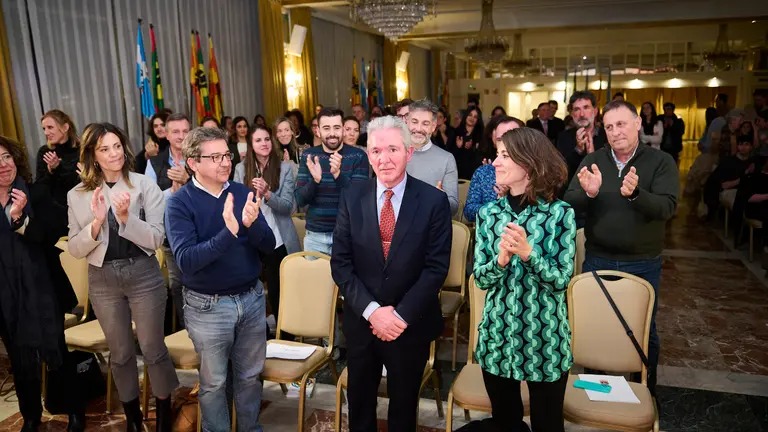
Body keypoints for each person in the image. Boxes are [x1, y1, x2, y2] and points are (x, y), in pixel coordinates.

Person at [330, 115, 452, 432]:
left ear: (409, 152)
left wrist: (398, 317)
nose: (383, 159)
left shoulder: (433, 201)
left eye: (392, 150)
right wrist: (373, 312)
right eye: (376, 151)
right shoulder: (352, 197)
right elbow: (341, 263)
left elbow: (436, 268)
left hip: (409, 325)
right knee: (360, 409)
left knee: (403, 412)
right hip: (362, 323)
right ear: (368, 155)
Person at [66, 123, 178, 432]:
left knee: (153, 348)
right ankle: (133, 420)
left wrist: (127, 218)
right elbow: (75, 248)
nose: (114, 153)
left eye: (117, 146)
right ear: (93, 155)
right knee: (120, 353)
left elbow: (156, 238)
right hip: (102, 279)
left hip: (143, 274)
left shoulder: (144, 184)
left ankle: (163, 417)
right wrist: (96, 223)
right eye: (104, 149)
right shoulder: (77, 195)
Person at [564, 100, 679, 395]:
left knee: (642, 330)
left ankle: (644, 392)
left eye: (621, 124)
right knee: (595, 328)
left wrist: (636, 194)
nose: (615, 132)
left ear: (638, 123)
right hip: (598, 259)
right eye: (609, 126)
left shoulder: (660, 161)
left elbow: (667, 207)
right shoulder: (594, 160)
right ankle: (595, 393)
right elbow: (568, 201)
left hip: (642, 262)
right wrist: (589, 193)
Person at [165, 127, 275, 432]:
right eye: (215, 157)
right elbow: (187, 261)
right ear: (193, 163)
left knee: (249, 377)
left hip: (251, 299)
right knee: (214, 383)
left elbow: (268, 245)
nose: (225, 162)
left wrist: (251, 224)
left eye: (227, 154)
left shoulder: (241, 192)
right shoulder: (179, 203)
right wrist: (229, 232)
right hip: (208, 307)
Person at [474, 127, 576, 432]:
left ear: (529, 163)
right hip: (498, 338)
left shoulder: (560, 215)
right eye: (497, 154)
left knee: (548, 425)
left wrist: (529, 255)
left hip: (543, 340)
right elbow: (480, 279)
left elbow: (561, 281)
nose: (495, 162)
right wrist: (500, 261)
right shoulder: (489, 214)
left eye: (505, 155)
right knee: (505, 423)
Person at [1, 136, 86, 432]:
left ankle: (75, 412)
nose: (3, 165)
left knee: (57, 353)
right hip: (6, 294)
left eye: (7, 157)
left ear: (16, 160)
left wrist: (21, 220)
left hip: (43, 289)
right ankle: (31, 416)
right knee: (19, 359)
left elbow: (53, 233)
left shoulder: (35, 192)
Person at [234, 124, 301, 338]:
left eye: (266, 139)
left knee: (278, 292)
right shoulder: (241, 169)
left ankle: (286, 338)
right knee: (250, 290)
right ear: (251, 145)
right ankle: (259, 336)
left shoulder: (284, 168)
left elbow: (288, 207)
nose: (263, 144)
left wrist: (267, 193)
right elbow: (236, 204)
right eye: (258, 140)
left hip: (278, 238)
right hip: (251, 238)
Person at [295, 107, 369, 255]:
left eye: (336, 127)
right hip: (315, 237)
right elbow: (300, 200)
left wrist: (338, 175)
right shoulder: (309, 156)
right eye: (326, 128)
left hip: (348, 235)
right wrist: (315, 181)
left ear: (343, 129)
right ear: (318, 131)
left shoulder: (358, 156)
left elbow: (359, 199)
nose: (332, 133)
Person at [145, 113, 191, 328]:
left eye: (185, 131)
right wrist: (172, 193)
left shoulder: (202, 159)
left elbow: (212, 193)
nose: (181, 136)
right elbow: (148, 203)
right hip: (171, 236)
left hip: (200, 232)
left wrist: (189, 180)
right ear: (167, 134)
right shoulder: (154, 164)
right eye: (176, 131)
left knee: (203, 284)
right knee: (178, 285)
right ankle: (186, 333)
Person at [405, 99, 460, 216]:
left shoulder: (446, 159)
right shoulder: (394, 154)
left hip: (431, 224)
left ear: (433, 127)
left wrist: (440, 199)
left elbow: (454, 207)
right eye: (414, 122)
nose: (418, 128)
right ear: (407, 122)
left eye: (425, 124)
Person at [463, 116, 523, 222]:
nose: (505, 143)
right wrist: (497, 204)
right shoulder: (484, 172)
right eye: (500, 139)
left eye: (511, 138)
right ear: (494, 141)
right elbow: (469, 212)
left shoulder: (532, 173)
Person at [556, 91, 608, 185]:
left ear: (595, 111)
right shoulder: (563, 137)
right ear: (572, 114)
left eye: (586, 107)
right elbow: (561, 172)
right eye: (577, 109)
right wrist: (578, 149)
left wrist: (593, 156)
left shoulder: (607, 136)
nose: (582, 114)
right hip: (573, 189)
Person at [36, 110, 82, 208]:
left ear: (65, 127)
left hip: (80, 205)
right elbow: (40, 188)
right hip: (54, 209)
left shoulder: (81, 150)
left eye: (50, 127)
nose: (46, 133)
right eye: (44, 129)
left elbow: (77, 184)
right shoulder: (44, 152)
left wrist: (58, 168)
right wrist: (51, 171)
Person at [451, 106, 484, 180]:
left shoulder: (481, 135)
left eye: (475, 117)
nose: (472, 118)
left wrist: (471, 149)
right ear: (466, 116)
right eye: (470, 115)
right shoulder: (456, 132)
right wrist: (458, 147)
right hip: (457, 173)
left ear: (478, 120)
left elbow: (481, 156)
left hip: (474, 175)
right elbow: (449, 154)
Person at [136, 111, 171, 175]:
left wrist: (154, 157)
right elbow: (137, 170)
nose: (159, 129)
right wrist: (146, 156)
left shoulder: (175, 144)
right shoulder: (152, 145)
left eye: (163, 125)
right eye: (155, 126)